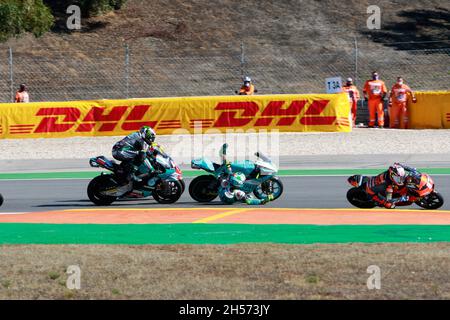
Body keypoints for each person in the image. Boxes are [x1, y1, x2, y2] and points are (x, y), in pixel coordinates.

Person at [349, 163, 418, 209]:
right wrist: (403, 198)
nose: (400, 180)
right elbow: (389, 200)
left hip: (375, 183)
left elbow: (398, 164)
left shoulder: (394, 171)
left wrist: (411, 169)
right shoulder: (387, 185)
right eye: (398, 178)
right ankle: (378, 202)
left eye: (401, 178)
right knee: (389, 205)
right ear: (392, 176)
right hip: (372, 192)